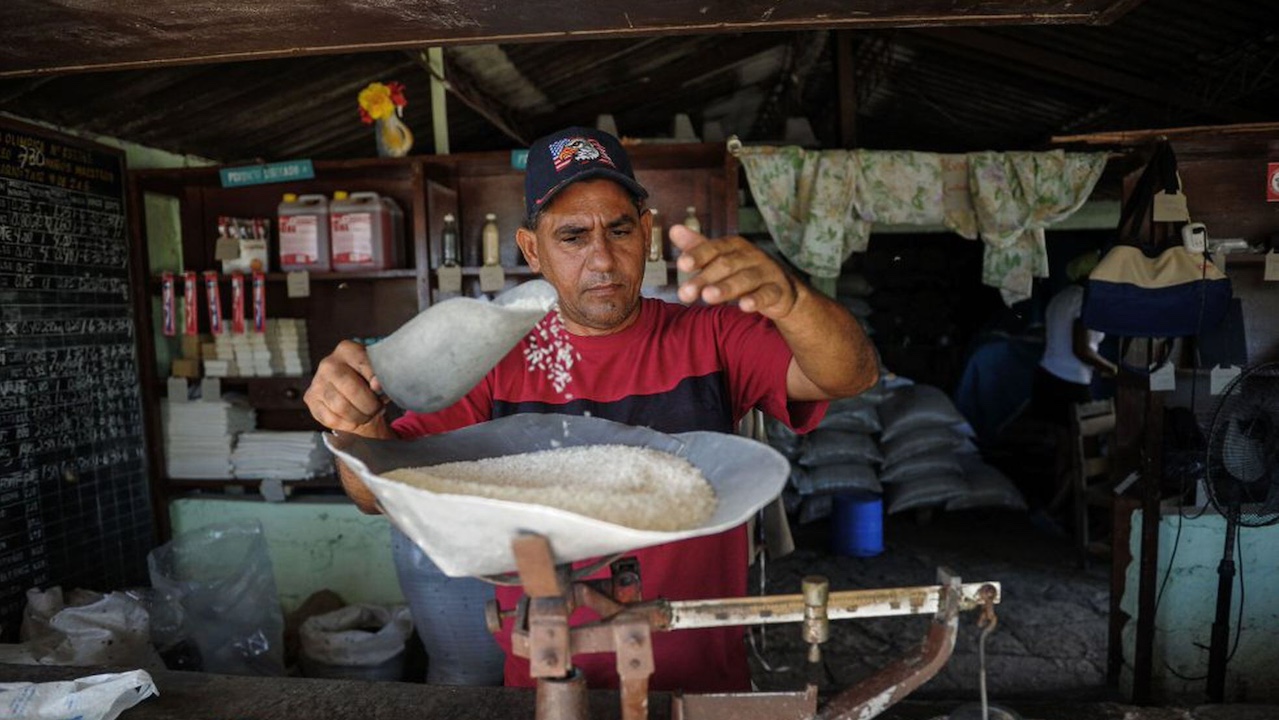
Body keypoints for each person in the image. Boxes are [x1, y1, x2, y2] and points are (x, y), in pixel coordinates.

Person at [303, 126, 878, 692]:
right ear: (533, 249)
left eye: (619, 229)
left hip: (700, 685)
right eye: (573, 237)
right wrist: (356, 425)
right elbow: (377, 492)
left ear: (646, 232)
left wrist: (791, 300)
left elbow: (852, 375)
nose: (602, 259)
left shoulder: (713, 335)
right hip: (547, 683)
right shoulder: (492, 356)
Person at [1030, 253, 1117, 427]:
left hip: (1046, 377)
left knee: (1062, 443)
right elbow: (1081, 350)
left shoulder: (1060, 298)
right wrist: (1113, 369)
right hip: (1070, 384)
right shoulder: (1084, 301)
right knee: (1081, 444)